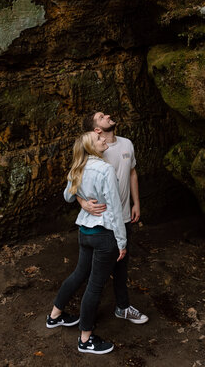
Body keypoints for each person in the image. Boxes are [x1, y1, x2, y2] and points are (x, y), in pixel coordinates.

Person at [46, 131, 127, 355]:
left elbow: (67, 196)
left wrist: (82, 201)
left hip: (84, 232)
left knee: (79, 274)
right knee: (94, 286)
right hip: (103, 235)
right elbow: (115, 208)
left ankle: (54, 316)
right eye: (98, 139)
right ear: (91, 147)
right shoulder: (105, 169)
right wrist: (122, 241)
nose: (103, 139)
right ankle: (85, 340)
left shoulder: (78, 167)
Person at [78, 111, 148, 324]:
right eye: (101, 117)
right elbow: (77, 179)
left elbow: (132, 173)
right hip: (103, 221)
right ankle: (75, 314)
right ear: (96, 130)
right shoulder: (96, 150)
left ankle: (123, 307)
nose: (108, 115)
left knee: (121, 266)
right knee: (88, 271)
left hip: (124, 217)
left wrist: (136, 203)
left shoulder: (127, 143)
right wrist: (82, 203)